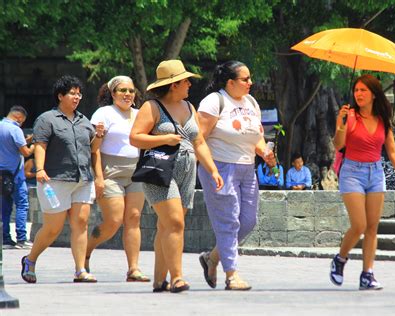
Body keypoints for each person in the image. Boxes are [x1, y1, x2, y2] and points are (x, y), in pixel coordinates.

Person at [130, 59, 223, 293]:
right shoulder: (151, 107)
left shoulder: (189, 107)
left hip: (187, 171)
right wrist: (164, 138)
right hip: (160, 171)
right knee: (175, 223)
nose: (190, 84)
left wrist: (212, 169)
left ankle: (159, 280)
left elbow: (199, 141)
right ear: (174, 85)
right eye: (186, 81)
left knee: (167, 226)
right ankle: (177, 277)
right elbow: (135, 137)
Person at [197, 60, 274, 290]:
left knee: (248, 221)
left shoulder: (251, 102)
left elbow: (255, 135)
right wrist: (210, 169)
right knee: (228, 222)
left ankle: (211, 258)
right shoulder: (214, 101)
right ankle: (232, 275)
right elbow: (199, 138)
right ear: (230, 82)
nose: (251, 83)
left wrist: (265, 153)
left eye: (250, 78)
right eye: (245, 79)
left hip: (247, 168)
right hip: (220, 167)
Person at [20, 75, 104, 283]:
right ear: (60, 96)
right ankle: (30, 260)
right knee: (53, 228)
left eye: (79, 93)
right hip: (54, 179)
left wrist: (99, 136)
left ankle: (80, 270)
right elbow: (40, 145)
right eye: (72, 93)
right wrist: (39, 169)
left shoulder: (84, 121)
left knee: (81, 223)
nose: (77, 97)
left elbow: (92, 149)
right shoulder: (47, 119)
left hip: (83, 179)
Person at [330, 74, 395, 290]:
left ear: (374, 94)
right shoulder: (349, 115)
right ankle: (340, 259)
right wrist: (342, 125)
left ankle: (367, 274)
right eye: (356, 90)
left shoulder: (383, 118)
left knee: (372, 227)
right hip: (352, 172)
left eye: (363, 90)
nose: (358, 94)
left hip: (376, 172)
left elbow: (392, 150)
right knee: (359, 225)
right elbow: (338, 145)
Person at [85, 76, 150, 282]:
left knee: (134, 219)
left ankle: (133, 269)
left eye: (131, 91)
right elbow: (93, 150)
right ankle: (85, 252)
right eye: (122, 90)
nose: (127, 94)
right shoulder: (103, 113)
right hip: (109, 170)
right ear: (113, 93)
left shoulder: (140, 114)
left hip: (136, 170)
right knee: (114, 220)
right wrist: (99, 177)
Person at [0, 105, 35, 249]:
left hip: (2, 175)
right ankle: (21, 238)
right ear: (19, 118)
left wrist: (27, 140)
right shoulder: (15, 129)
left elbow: (11, 145)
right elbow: (26, 153)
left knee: (4, 208)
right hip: (15, 176)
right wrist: (34, 145)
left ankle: (5, 239)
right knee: (22, 205)